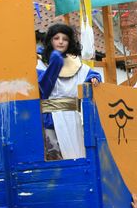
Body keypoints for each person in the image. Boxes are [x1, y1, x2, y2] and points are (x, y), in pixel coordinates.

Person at [38, 24, 101, 160]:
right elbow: (43, 89)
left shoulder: (77, 65)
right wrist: (54, 64)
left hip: (73, 118)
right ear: (50, 40)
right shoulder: (40, 64)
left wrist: (94, 78)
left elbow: (92, 74)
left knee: (76, 155)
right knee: (55, 158)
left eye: (65, 39)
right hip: (51, 119)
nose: (60, 41)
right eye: (56, 38)